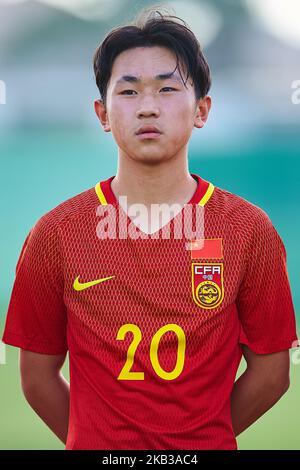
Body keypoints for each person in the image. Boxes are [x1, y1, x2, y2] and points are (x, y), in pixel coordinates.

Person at [2, 7, 298, 450]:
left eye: (166, 88)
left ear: (202, 109)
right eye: (129, 91)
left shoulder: (248, 230)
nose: (147, 106)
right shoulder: (55, 234)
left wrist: (194, 444)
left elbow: (272, 373)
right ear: (102, 113)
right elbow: (36, 376)